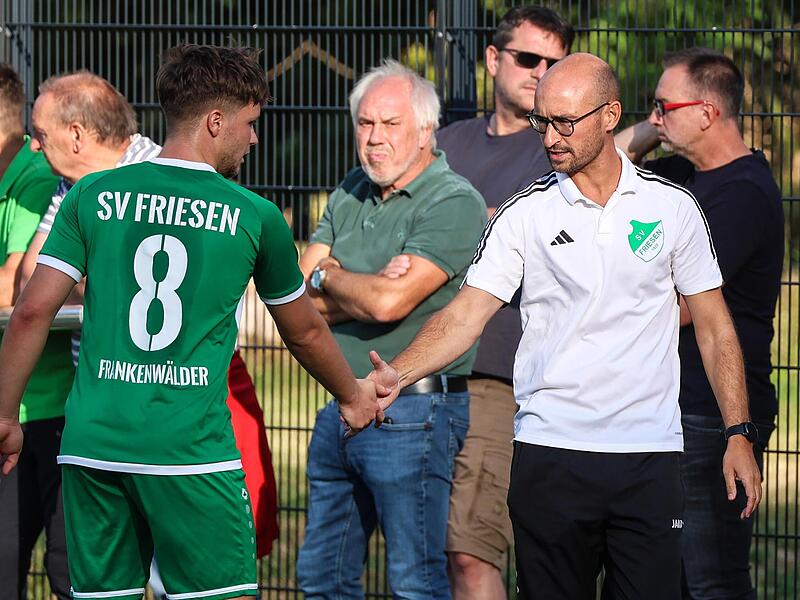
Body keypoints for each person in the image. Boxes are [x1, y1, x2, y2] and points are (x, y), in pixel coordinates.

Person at [366, 53, 763, 600]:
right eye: (541, 121)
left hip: (650, 459)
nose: (549, 137)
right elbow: (466, 314)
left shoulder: (674, 208)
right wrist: (397, 375)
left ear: (610, 115)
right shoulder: (523, 214)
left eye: (565, 123)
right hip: (549, 454)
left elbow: (716, 327)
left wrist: (738, 433)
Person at [0, 44, 387, 600]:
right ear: (215, 121)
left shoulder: (91, 194)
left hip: (92, 448)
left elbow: (32, 309)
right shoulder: (252, 215)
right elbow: (302, 330)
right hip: (190, 454)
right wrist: (352, 397)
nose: (255, 138)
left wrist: (7, 413)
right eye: (251, 123)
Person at [295, 59, 486, 599]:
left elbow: (388, 303)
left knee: (414, 582)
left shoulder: (453, 201)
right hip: (338, 401)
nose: (374, 138)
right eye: (365, 123)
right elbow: (295, 299)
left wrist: (329, 278)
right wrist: (358, 284)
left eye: (390, 124)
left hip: (414, 411)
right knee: (321, 578)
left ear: (426, 130)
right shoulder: (352, 188)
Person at [616, 47, 783, 599]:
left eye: (664, 105)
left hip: (711, 414)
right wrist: (650, 126)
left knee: (711, 579)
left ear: (708, 112)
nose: (654, 117)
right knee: (656, 577)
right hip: (662, 409)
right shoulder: (678, 175)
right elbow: (595, 160)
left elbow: (685, 304)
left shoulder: (743, 194)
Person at [436, 7, 572, 597]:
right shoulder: (445, 143)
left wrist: (466, 231)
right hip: (429, 374)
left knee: (472, 551)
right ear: (493, 59)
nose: (540, 72)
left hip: (505, 378)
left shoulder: (565, 152)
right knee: (435, 549)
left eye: (554, 62)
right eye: (527, 58)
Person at [0, 62, 70, 600]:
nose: (34, 144)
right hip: (15, 408)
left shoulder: (36, 179)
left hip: (49, 407)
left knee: (68, 570)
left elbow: (16, 290)